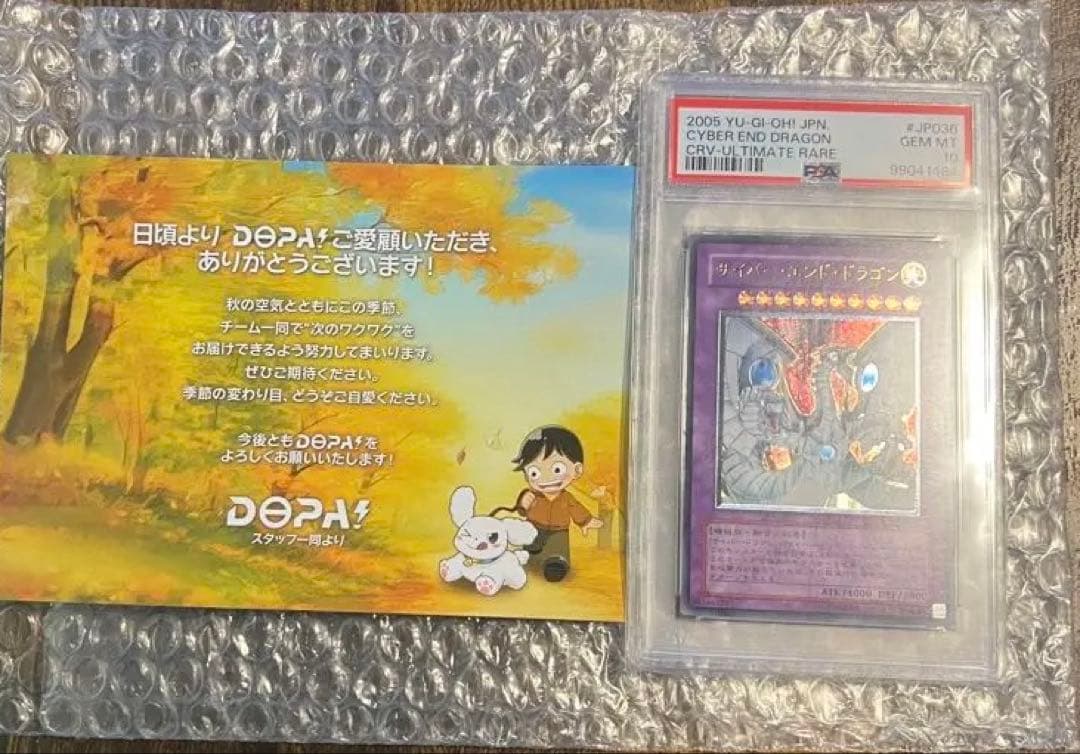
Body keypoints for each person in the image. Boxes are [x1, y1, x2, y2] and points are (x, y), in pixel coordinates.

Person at [512, 426, 602, 582]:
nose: (546, 478)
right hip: (533, 526)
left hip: (559, 531)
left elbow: (576, 508)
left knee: (557, 550)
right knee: (530, 545)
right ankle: (527, 558)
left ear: (577, 470)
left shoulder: (566, 498)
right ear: (526, 475)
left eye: (557, 469)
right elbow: (522, 510)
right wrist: (523, 503)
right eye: (534, 472)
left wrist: (585, 521)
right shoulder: (532, 495)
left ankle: (555, 565)